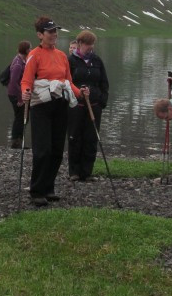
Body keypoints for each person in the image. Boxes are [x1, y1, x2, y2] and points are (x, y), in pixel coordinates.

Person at [21, 16, 88, 207]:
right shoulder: (35, 55)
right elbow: (26, 80)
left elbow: (68, 81)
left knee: (57, 149)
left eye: (55, 31)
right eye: (50, 31)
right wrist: (25, 92)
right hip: (41, 105)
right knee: (43, 150)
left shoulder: (61, 56)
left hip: (60, 103)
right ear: (40, 35)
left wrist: (80, 94)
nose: (54, 34)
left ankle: (48, 188)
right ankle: (36, 190)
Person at [67, 30, 109, 182]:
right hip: (76, 105)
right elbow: (67, 82)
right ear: (79, 44)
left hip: (94, 104)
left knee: (91, 138)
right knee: (74, 137)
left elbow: (104, 82)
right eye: (87, 44)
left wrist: (102, 100)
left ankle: (87, 171)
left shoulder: (97, 61)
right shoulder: (71, 61)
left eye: (92, 44)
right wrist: (78, 93)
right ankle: (74, 171)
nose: (90, 47)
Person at [6, 40, 31, 148]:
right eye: (30, 48)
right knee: (20, 118)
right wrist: (20, 98)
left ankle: (18, 141)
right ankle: (16, 142)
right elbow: (13, 82)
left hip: (17, 94)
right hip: (15, 95)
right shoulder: (18, 64)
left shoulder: (21, 60)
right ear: (26, 50)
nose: (31, 50)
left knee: (21, 117)